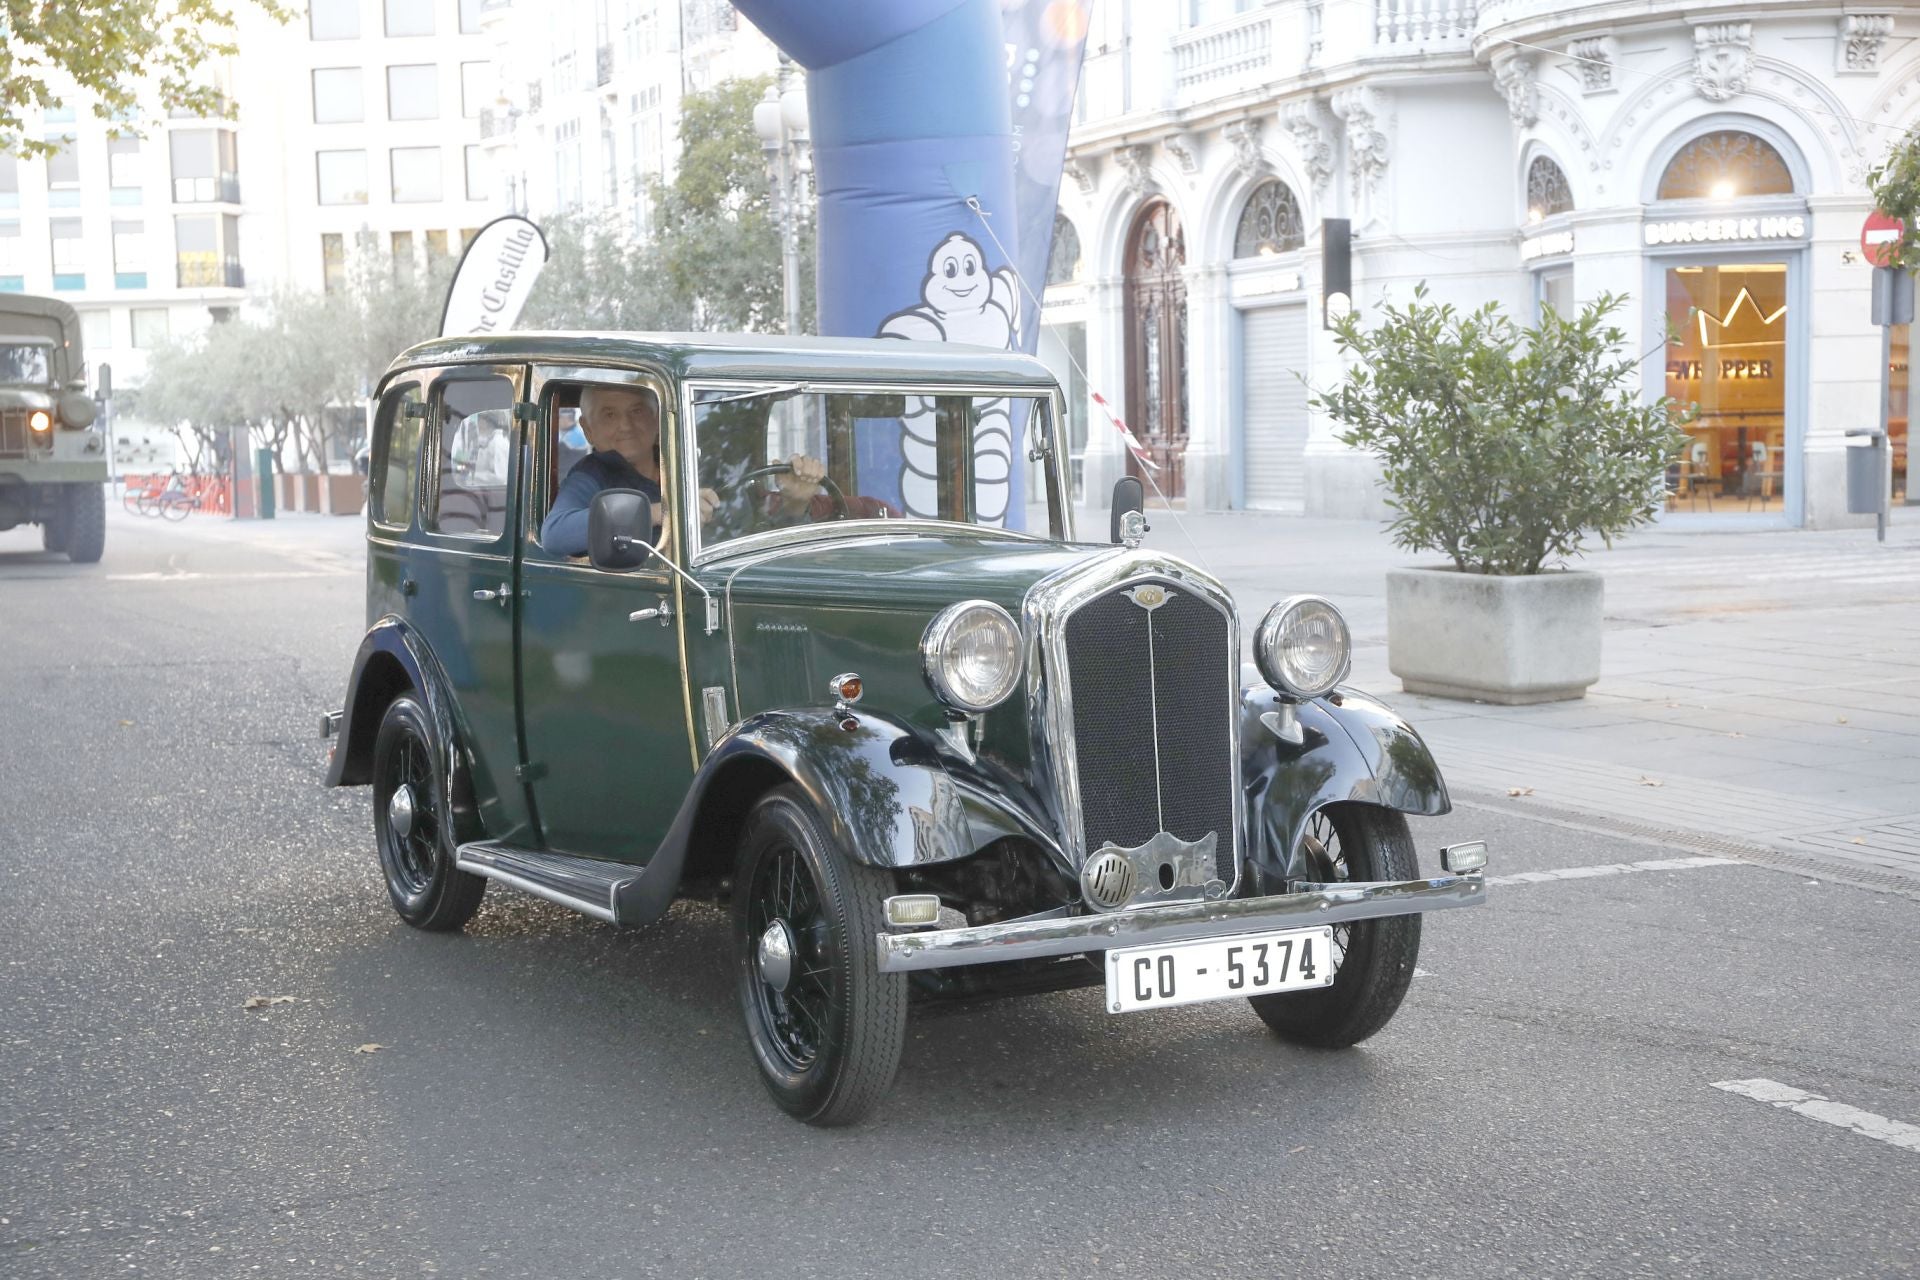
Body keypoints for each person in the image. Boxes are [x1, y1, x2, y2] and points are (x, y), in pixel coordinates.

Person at [541, 384, 827, 557]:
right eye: (609, 415)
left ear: (657, 421)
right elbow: (555, 535)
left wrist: (795, 504)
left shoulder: (695, 465)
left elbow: (749, 538)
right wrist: (664, 511)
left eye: (637, 411)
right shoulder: (593, 475)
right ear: (588, 430)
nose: (625, 426)